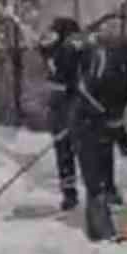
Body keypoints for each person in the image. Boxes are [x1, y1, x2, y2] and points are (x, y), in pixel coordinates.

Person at [70, 33, 127, 241]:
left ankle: (103, 230)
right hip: (85, 124)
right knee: (95, 182)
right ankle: (101, 233)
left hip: (103, 128)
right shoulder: (104, 61)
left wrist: (122, 138)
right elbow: (84, 90)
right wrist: (101, 113)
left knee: (103, 177)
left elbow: (118, 107)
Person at [39, 17, 82, 211]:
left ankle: (70, 193)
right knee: (74, 152)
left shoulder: (61, 51)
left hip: (65, 107)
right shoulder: (62, 51)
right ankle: (74, 192)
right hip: (64, 107)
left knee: (66, 153)